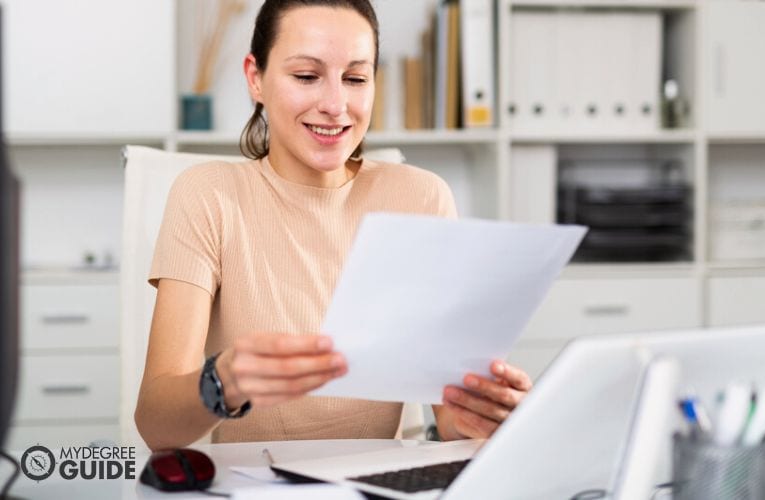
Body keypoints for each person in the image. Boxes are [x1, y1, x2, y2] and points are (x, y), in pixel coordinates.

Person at [134, 0, 532, 451]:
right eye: (306, 76)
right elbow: (156, 426)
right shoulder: (208, 195)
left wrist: (482, 416)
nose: (335, 105)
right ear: (255, 78)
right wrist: (225, 379)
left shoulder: (422, 198)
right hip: (252, 484)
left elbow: (449, 419)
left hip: (377, 482)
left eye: (356, 79)